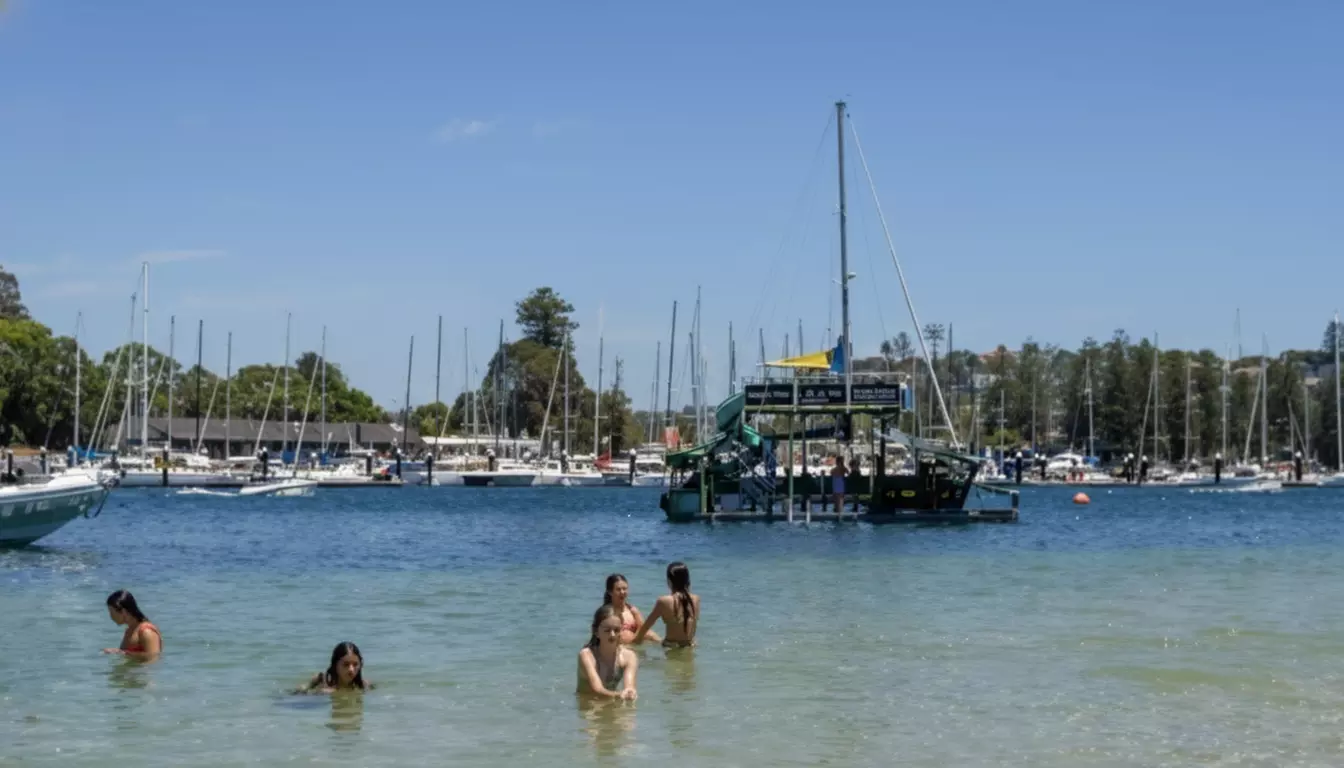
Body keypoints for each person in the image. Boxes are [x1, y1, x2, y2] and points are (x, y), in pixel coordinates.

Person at [577, 605, 638, 701]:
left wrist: (630, 693)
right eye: (607, 630)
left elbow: (629, 687)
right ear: (596, 631)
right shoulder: (586, 655)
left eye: (616, 630)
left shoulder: (629, 656)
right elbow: (598, 689)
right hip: (588, 703)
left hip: (612, 699)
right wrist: (619, 695)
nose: (612, 634)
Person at [633, 562, 699, 648]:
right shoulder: (696, 599)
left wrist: (635, 643)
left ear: (669, 581)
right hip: (690, 646)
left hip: (671, 647)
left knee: (648, 637)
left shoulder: (664, 601)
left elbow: (646, 626)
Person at [102, 590, 162, 658]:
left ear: (123, 612)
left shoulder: (146, 631)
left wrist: (121, 652)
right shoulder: (129, 631)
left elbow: (153, 657)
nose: (111, 616)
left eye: (112, 612)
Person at [604, 573, 660, 645]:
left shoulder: (632, 610)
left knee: (650, 633)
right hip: (620, 646)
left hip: (635, 643)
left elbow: (643, 628)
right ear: (610, 592)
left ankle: (667, 647)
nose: (622, 592)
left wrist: (636, 639)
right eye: (618, 589)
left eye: (624, 589)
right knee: (625, 635)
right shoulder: (607, 613)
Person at [302, 642, 371, 693]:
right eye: (346, 664)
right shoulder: (321, 679)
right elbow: (300, 693)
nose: (351, 669)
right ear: (335, 665)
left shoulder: (364, 685)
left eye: (355, 664)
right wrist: (318, 694)